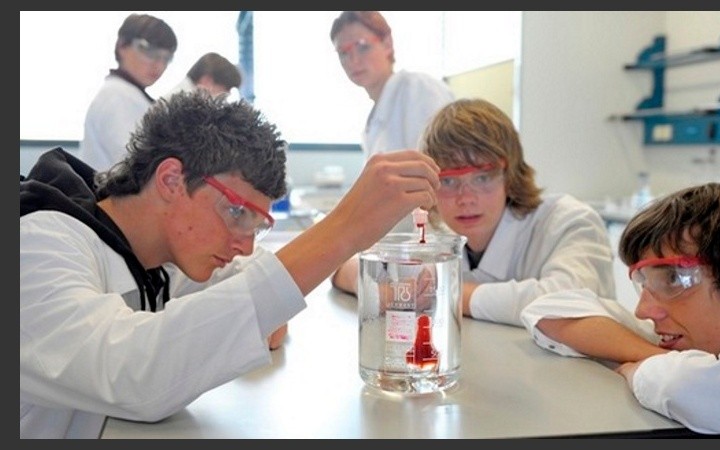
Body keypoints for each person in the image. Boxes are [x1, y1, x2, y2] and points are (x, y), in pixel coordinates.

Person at [20, 91, 441, 439]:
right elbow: (133, 374)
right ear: (170, 180)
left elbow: (248, 275)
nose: (242, 245)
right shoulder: (38, 245)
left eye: (257, 225)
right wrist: (344, 229)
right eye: (237, 212)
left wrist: (381, 292)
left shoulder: (159, 260)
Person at [520, 183, 720, 439]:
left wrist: (646, 367)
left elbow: (679, 382)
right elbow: (549, 310)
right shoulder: (686, 344)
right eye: (643, 282)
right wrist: (656, 355)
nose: (643, 312)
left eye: (674, 279)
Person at [332, 98, 616, 327]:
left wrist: (445, 292)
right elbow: (342, 265)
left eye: (482, 177)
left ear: (510, 173)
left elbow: (568, 302)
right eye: (449, 181)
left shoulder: (569, 223)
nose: (465, 198)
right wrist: (379, 291)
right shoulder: (429, 227)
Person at [330, 11, 455, 161]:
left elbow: (443, 167)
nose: (353, 60)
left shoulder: (419, 90)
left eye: (362, 46)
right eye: (343, 53)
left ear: (387, 44)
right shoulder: (376, 115)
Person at [80, 13, 178, 172]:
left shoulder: (127, 94)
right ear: (122, 46)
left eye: (166, 58)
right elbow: (137, 166)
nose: (159, 65)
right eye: (150, 52)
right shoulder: (117, 97)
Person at [164, 52, 242, 100]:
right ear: (206, 80)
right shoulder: (182, 102)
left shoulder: (179, 96)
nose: (226, 96)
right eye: (225, 89)